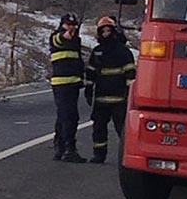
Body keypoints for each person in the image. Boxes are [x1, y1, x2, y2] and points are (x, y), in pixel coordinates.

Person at [85, 16, 136, 163]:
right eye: (103, 31)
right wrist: (89, 88)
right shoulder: (97, 51)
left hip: (119, 99)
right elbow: (91, 71)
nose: (106, 33)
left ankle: (127, 157)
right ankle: (99, 155)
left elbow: (130, 73)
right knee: (98, 128)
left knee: (123, 129)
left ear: (113, 32)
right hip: (101, 98)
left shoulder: (123, 51)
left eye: (108, 30)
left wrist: (129, 94)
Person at [49, 13, 87, 163]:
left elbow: (77, 59)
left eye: (73, 25)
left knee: (63, 116)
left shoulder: (76, 40)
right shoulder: (56, 36)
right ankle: (69, 148)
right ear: (62, 25)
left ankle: (60, 147)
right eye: (68, 25)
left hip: (73, 82)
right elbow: (58, 40)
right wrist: (65, 35)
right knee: (70, 117)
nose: (71, 28)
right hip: (62, 83)